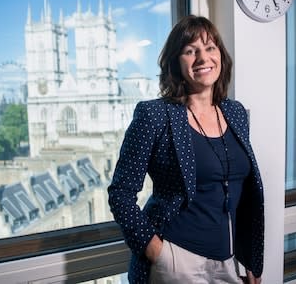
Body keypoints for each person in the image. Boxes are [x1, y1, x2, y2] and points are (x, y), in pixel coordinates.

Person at [108, 15, 264, 284]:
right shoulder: (154, 115)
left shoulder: (235, 112)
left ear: (221, 56)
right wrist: (159, 253)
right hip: (177, 261)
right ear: (175, 63)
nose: (203, 58)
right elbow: (120, 194)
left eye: (210, 48)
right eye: (190, 51)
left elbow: (243, 191)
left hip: (228, 262)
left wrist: (251, 258)